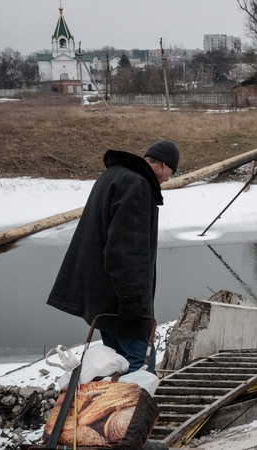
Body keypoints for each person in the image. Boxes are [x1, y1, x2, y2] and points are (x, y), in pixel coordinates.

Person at [47, 140, 179, 373]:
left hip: (102, 294)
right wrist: (131, 300)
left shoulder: (113, 176)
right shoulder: (136, 185)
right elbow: (127, 248)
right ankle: (137, 407)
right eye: (171, 172)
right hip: (120, 299)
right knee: (141, 360)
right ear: (163, 165)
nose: (168, 178)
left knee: (116, 360)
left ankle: (118, 406)